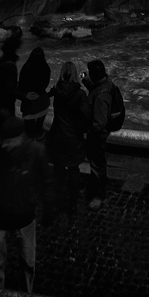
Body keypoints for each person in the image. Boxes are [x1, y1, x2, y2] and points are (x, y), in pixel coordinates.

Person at [0, 116, 54, 293]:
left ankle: (27, 292)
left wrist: (49, 210)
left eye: (9, 142)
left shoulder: (36, 152)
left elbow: (47, 183)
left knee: (28, 261)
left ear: (20, 138)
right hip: (1, 218)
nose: (5, 145)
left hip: (24, 218)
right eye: (3, 141)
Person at [45, 62, 91, 219]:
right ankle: (72, 204)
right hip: (73, 137)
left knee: (58, 169)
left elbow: (46, 95)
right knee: (73, 169)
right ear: (75, 73)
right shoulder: (80, 94)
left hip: (57, 133)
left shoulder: (57, 90)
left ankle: (57, 200)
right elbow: (85, 116)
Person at [82, 59, 118, 210]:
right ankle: (95, 188)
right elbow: (96, 89)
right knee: (96, 163)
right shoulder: (106, 84)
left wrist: (89, 133)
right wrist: (86, 81)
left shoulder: (103, 95)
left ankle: (99, 195)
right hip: (98, 133)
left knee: (97, 164)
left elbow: (100, 122)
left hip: (97, 135)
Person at [0, 32, 22, 152]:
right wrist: (24, 96)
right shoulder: (10, 66)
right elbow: (9, 89)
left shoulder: (1, 61)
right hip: (5, 105)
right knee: (5, 132)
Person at [18, 46, 51, 138]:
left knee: (29, 132)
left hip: (29, 104)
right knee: (38, 129)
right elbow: (46, 84)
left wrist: (25, 95)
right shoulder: (46, 67)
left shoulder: (26, 68)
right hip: (43, 102)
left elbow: (20, 86)